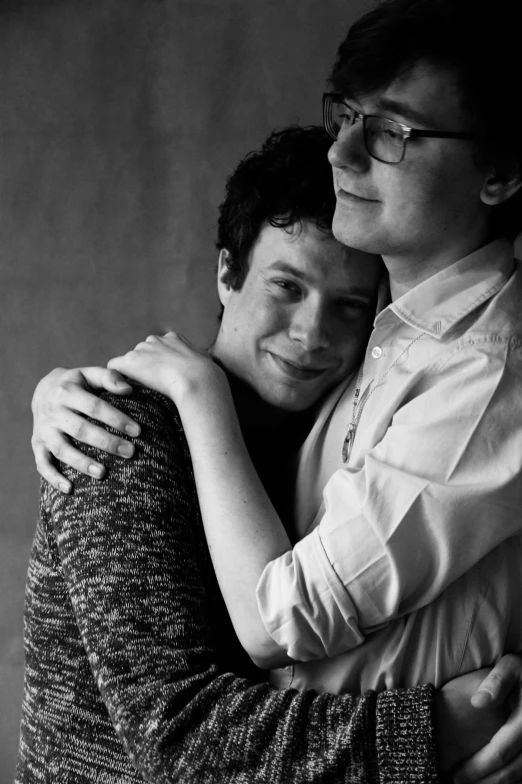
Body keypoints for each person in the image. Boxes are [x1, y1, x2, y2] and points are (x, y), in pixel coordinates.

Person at [96, 1, 522, 780]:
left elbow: (279, 621)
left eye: (393, 131)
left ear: (499, 173)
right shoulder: (379, 340)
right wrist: (59, 392)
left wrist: (197, 393)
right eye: (347, 116)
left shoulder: (488, 367)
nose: (344, 154)